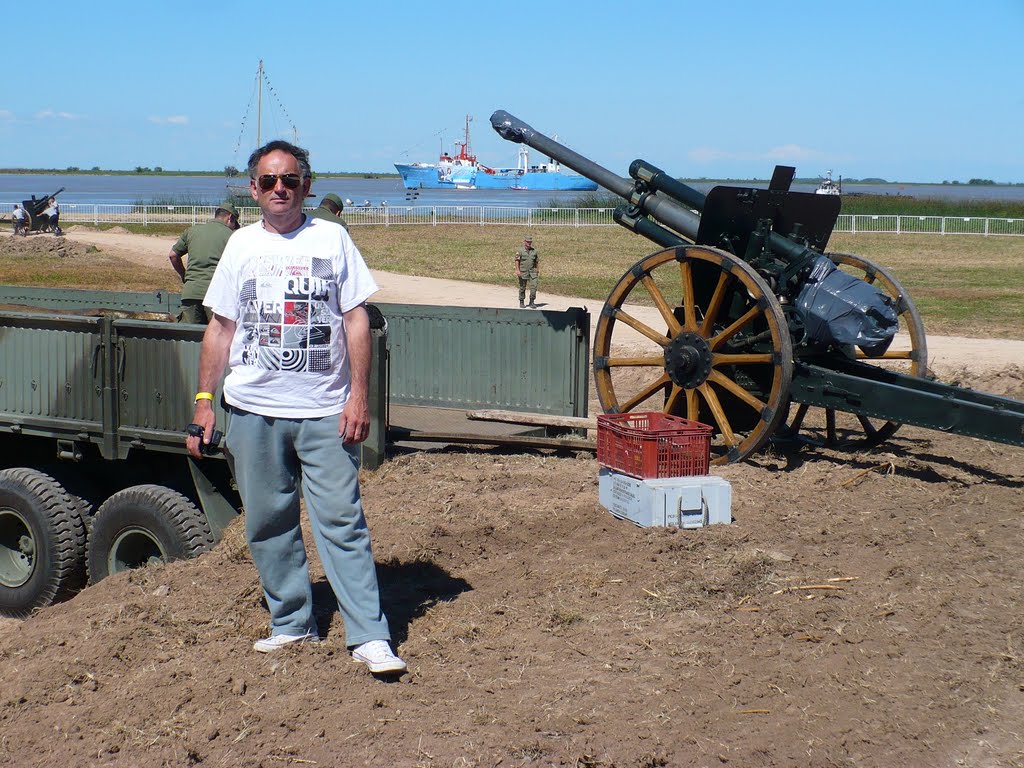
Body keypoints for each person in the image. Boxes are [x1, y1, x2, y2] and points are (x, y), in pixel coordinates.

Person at [187, 139, 406, 675]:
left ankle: (369, 636)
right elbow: (219, 328)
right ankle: (291, 623)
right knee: (267, 521)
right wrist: (204, 402)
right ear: (253, 189)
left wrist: (357, 396)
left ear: (306, 185)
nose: (279, 189)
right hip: (253, 412)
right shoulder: (239, 246)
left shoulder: (332, 238)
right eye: (268, 181)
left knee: (342, 522)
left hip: (323, 411)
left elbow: (356, 318)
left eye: (289, 180)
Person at [167, 202, 240, 324]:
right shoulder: (232, 236)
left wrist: (185, 276)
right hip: (217, 295)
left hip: (191, 292)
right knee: (217, 336)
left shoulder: (191, 231)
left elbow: (173, 255)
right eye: (234, 224)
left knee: (189, 337)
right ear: (230, 218)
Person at [514, 236, 540, 308]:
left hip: (532, 272)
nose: (529, 243)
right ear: (524, 242)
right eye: (528, 242)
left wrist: (537, 269)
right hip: (523, 271)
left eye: (530, 242)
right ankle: (521, 301)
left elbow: (536, 261)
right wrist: (517, 270)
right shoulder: (520, 251)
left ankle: (532, 301)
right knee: (522, 287)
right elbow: (517, 261)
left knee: (534, 287)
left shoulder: (534, 251)